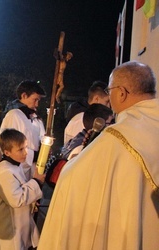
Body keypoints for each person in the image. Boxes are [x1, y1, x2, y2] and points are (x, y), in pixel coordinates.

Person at [39, 61, 159, 249]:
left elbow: (71, 178)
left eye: (110, 90)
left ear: (121, 92)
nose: (109, 99)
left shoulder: (117, 137)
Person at [0, 129, 45, 249]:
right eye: (20, 149)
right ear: (7, 152)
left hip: (19, 225)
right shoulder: (5, 173)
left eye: (26, 147)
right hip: (10, 229)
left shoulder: (14, 166)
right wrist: (36, 182)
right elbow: (16, 199)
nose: (26, 153)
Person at [0, 80, 46, 166]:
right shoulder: (14, 115)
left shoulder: (35, 117)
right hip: (18, 168)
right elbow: (11, 144)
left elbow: (41, 137)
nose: (37, 104)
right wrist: (34, 155)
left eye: (38, 100)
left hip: (33, 166)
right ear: (24, 96)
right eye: (35, 100)